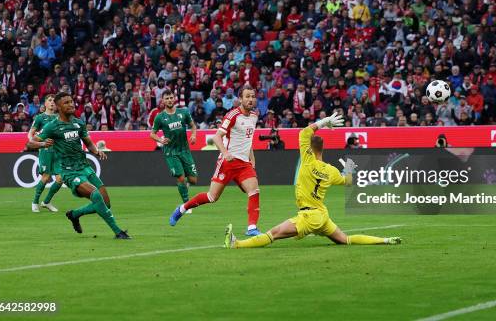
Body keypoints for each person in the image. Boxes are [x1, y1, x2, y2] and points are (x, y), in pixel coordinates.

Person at [224, 112, 401, 248]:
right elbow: (348, 181)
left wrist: (323, 122)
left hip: (308, 216)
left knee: (274, 233)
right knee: (345, 239)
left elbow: (304, 132)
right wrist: (349, 168)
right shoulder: (330, 171)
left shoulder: (307, 160)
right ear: (323, 149)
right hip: (322, 216)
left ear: (310, 148)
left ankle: (236, 244)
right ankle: (385, 240)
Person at [27, 92, 130, 239]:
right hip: (69, 172)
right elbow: (30, 142)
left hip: (84, 167)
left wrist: (96, 151)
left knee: (106, 204)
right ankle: (118, 232)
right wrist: (43, 143)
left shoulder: (78, 122)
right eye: (66, 103)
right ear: (58, 107)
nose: (71, 104)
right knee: (96, 195)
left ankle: (74, 215)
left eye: (71, 101)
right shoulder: (52, 126)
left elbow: (88, 143)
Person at [169, 86, 262, 236]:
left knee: (254, 191)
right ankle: (182, 209)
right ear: (240, 99)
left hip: (244, 164)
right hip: (228, 163)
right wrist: (225, 154)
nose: (250, 99)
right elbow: (216, 137)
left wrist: (252, 157)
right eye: (247, 96)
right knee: (212, 197)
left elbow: (248, 139)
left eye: (253, 96)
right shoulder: (232, 115)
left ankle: (252, 228)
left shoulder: (254, 116)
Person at [150, 90, 197, 203]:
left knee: (193, 180)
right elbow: (152, 134)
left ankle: (184, 186)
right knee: (180, 177)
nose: (169, 100)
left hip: (185, 150)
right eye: (167, 98)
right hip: (171, 152)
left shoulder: (184, 112)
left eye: (171, 97)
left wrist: (194, 135)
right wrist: (160, 139)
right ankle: (186, 204)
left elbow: (192, 125)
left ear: (174, 98)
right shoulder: (160, 117)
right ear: (163, 101)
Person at [27, 94, 63, 213]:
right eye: (50, 100)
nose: (52, 102)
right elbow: (31, 134)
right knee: (46, 177)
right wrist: (38, 143)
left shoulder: (59, 117)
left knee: (60, 178)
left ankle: (46, 202)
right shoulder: (40, 118)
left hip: (58, 150)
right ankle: (35, 202)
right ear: (45, 104)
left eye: (54, 101)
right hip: (46, 151)